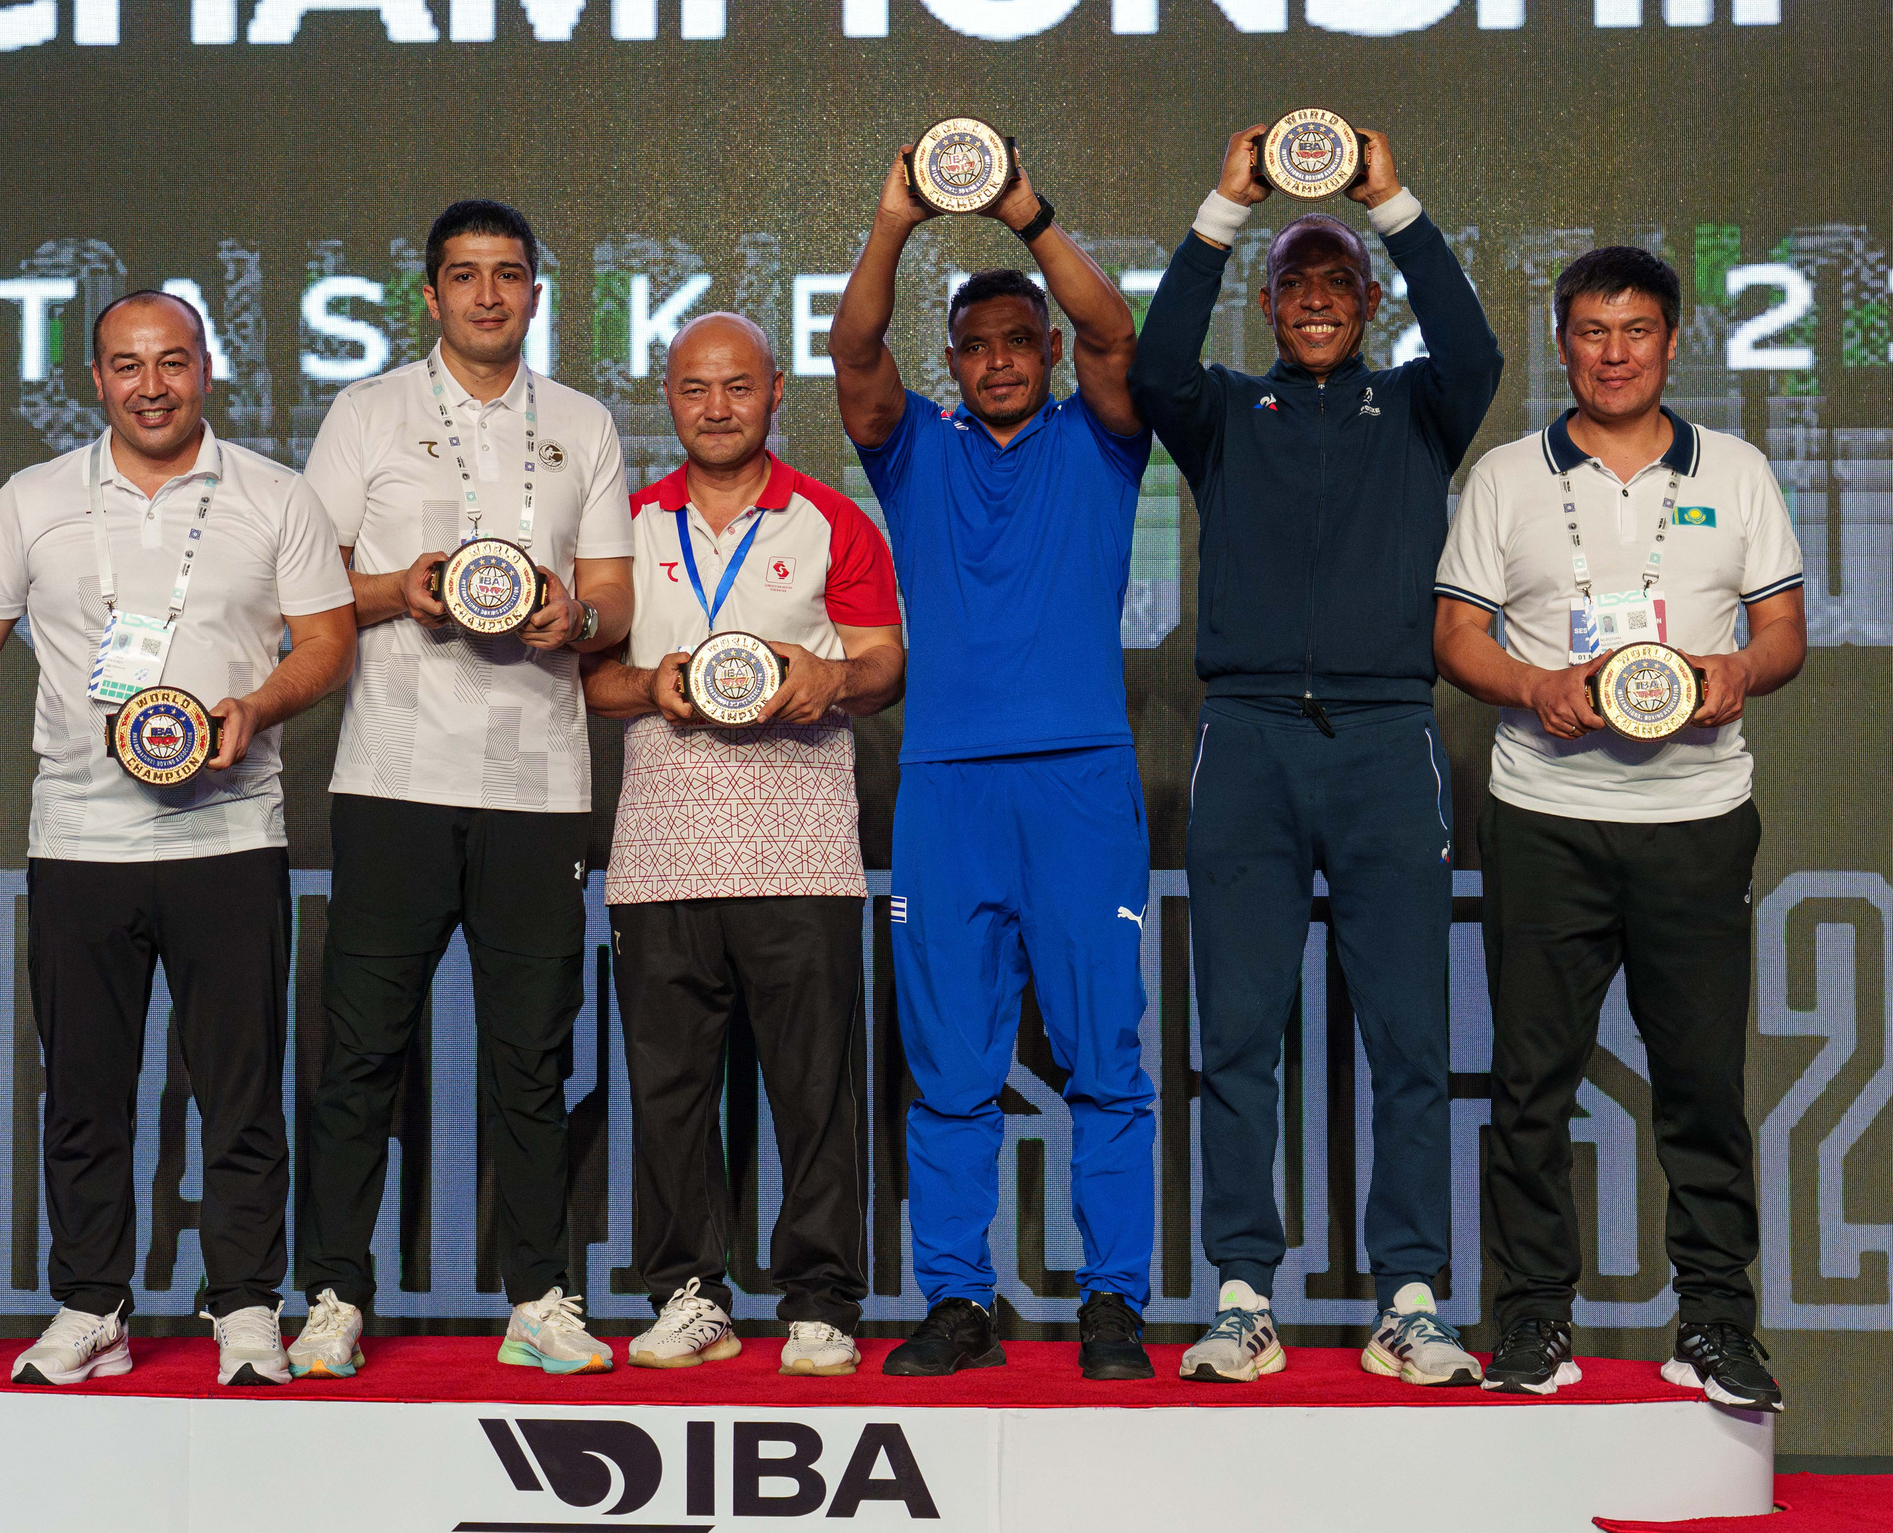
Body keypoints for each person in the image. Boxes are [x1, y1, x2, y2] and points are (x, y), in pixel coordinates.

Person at [0, 290, 357, 1387]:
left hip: (232, 834)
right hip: (78, 841)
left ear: (208, 369)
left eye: (171, 362)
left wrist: (256, 706)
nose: (149, 385)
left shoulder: (274, 494)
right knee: (84, 1093)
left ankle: (247, 1305)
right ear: (94, 380)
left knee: (241, 1089)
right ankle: (91, 1304)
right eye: (124, 365)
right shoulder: (34, 499)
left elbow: (330, 640)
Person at [1131, 124, 1504, 1388]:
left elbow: (1477, 347)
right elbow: (1154, 359)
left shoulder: (1417, 408)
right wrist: (1223, 207)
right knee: (1239, 1034)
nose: (1314, 306)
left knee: (1408, 1035)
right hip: (1247, 743)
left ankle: (1409, 1296)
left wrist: (1389, 196)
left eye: (1337, 285)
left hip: (1386, 742)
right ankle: (1243, 1294)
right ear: (1271, 304)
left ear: (1366, 301)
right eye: (1294, 287)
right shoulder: (1226, 414)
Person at [1435, 246, 1804, 1409]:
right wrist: (1531, 688)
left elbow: (1785, 634)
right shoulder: (1503, 475)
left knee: (1699, 1081)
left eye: (1635, 330)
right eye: (1591, 331)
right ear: (1561, 345)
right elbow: (1456, 639)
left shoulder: (1736, 470)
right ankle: (1533, 1323)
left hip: (1697, 815)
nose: (1612, 352)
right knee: (1529, 1083)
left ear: (1671, 342)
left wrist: (1738, 669)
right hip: (1545, 811)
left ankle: (1714, 1324)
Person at [831, 144, 1159, 1381]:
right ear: (954, 362)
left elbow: (1115, 332)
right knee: (952, 1060)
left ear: (1046, 355)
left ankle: (1113, 1303)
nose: (1002, 359)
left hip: (1078, 783)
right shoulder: (914, 451)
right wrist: (892, 216)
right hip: (950, 792)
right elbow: (855, 357)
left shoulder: (1104, 441)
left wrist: (1025, 213)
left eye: (1023, 338)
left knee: (1103, 1056)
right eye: (977, 345)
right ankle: (959, 1302)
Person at [293, 199, 635, 1379]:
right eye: (464, 276)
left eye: (509, 276)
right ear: (428, 296)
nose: (488, 295)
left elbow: (615, 603)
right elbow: (309, 580)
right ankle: (334, 1295)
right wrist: (408, 590)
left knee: (532, 1060)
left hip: (538, 786)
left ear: (536, 294)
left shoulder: (584, 423)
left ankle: (538, 1296)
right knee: (360, 1055)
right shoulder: (366, 412)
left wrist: (570, 616)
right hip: (392, 775)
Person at [584, 311, 905, 1377]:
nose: (715, 407)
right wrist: (652, 686)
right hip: (661, 855)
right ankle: (689, 1291)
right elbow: (593, 678)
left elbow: (882, 662)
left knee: (812, 1090)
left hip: (802, 849)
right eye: (692, 388)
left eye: (736, 386)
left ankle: (820, 1301)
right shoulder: (625, 526)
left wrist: (832, 679)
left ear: (774, 392)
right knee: (669, 1095)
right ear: (667, 398)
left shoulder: (830, 522)